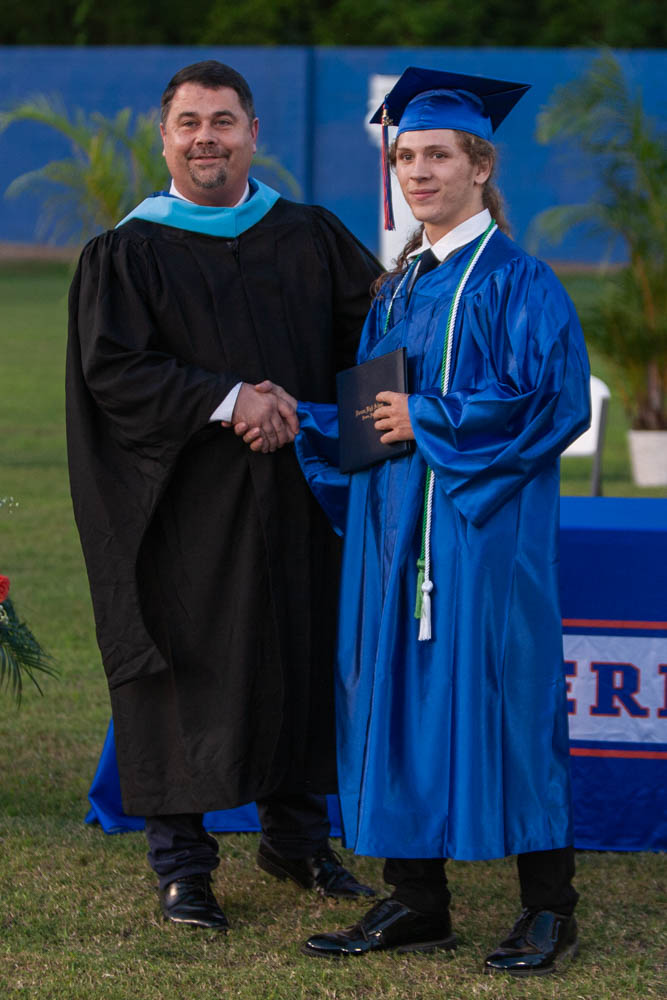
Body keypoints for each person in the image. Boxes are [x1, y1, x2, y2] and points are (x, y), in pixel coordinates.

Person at [274, 67, 591, 974]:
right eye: (405, 156)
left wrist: (434, 420)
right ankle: (416, 900)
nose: (417, 171)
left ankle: (549, 908)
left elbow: (553, 403)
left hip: (479, 535)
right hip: (393, 534)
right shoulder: (397, 286)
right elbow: (378, 412)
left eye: (438, 156)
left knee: (507, 696)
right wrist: (307, 418)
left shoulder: (519, 282)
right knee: (394, 698)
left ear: (479, 166)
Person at [66, 60, 381, 932]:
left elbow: (371, 341)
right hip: (183, 505)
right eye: (190, 123)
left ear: (252, 133)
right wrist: (231, 398)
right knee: (183, 660)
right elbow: (113, 371)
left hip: (296, 494)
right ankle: (183, 865)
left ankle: (297, 841)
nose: (207, 138)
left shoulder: (309, 235)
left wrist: (332, 422)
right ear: (165, 136)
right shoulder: (129, 252)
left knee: (298, 648)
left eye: (224, 121)